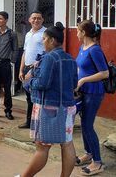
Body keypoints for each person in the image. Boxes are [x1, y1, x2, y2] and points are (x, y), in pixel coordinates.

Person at [20, 22, 78, 177]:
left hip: (49, 108)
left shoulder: (49, 58)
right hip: (67, 107)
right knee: (67, 144)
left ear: (52, 40)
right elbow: (74, 84)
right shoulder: (70, 58)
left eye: (44, 39)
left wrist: (29, 80)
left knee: (42, 146)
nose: (42, 42)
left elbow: (43, 83)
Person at [75, 20, 109, 176]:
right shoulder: (83, 47)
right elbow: (79, 67)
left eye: (78, 31)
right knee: (84, 124)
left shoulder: (95, 50)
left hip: (94, 92)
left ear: (84, 33)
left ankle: (98, 162)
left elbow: (104, 73)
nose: (76, 33)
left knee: (88, 125)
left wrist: (83, 80)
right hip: (83, 92)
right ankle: (88, 154)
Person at [18, 11, 46, 129]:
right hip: (27, 69)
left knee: (38, 98)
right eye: (33, 18)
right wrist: (21, 70)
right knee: (29, 97)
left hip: (38, 70)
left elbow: (47, 53)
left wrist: (34, 69)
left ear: (42, 20)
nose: (36, 20)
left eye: (39, 18)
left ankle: (38, 124)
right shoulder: (28, 34)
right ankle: (29, 122)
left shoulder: (45, 33)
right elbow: (25, 52)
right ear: (29, 20)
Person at [0, 11, 18, 121]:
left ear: (6, 20)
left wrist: (13, 61)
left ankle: (8, 110)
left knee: (7, 88)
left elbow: (15, 49)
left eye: (1, 19)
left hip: (6, 64)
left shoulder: (12, 34)